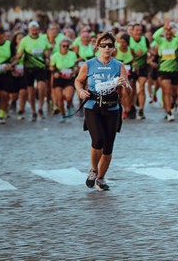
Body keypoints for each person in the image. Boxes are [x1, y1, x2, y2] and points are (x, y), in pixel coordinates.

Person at [75, 32, 132, 191]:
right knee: (98, 140)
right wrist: (80, 91)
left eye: (110, 45)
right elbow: (78, 81)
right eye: (103, 45)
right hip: (93, 106)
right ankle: (94, 169)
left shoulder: (118, 65)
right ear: (97, 47)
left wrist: (124, 85)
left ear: (114, 48)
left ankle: (101, 178)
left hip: (112, 107)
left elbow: (128, 91)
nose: (107, 48)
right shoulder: (89, 64)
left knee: (108, 147)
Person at [50, 38, 78, 122]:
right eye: (63, 46)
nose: (65, 47)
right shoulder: (55, 55)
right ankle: (63, 115)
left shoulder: (72, 54)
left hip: (69, 77)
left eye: (67, 46)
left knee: (69, 97)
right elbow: (51, 66)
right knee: (59, 98)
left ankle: (68, 106)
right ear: (60, 47)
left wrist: (75, 70)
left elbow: (76, 65)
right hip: (59, 77)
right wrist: (55, 72)